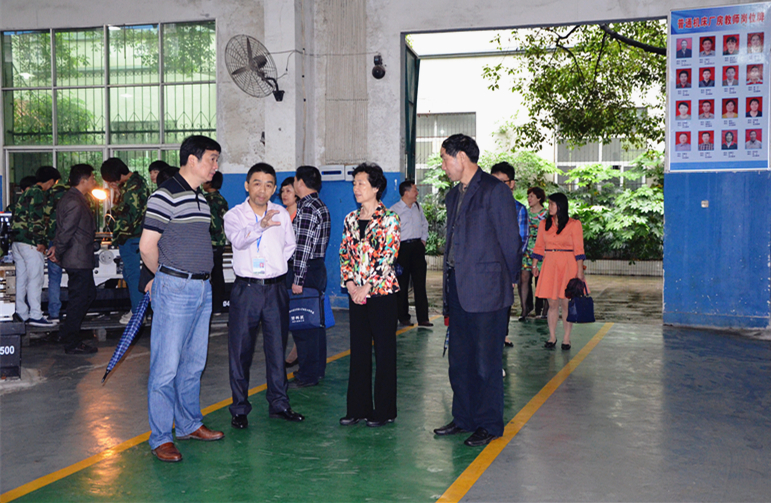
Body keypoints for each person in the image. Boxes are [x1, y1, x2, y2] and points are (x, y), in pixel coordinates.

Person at [140, 135, 225, 463]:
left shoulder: (200, 198)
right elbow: (147, 246)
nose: (215, 166)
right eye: (212, 159)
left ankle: (188, 424)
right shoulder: (165, 195)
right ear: (192, 159)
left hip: (202, 288)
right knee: (166, 367)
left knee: (193, 363)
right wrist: (163, 277)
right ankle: (161, 437)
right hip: (175, 288)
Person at [433, 134, 520, 448]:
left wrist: (508, 281)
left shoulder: (494, 190)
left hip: (488, 291)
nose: (443, 166)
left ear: (461, 157)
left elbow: (510, 241)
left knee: (486, 363)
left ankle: (489, 424)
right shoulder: (454, 194)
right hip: (458, 288)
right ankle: (464, 418)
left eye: (445, 159)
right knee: (460, 361)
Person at [224, 163, 304, 430]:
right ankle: (239, 409)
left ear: (274, 188)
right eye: (257, 183)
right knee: (240, 351)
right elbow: (238, 241)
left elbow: (290, 245)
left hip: (275, 289)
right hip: (246, 289)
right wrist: (260, 226)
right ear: (247, 185)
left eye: (269, 184)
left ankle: (279, 404)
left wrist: (274, 268)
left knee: (277, 348)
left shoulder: (281, 213)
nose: (263, 189)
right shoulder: (234, 215)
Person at [339, 163, 401, 428]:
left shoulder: (389, 219)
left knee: (384, 352)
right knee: (359, 351)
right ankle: (358, 408)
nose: (356, 188)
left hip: (382, 294)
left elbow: (388, 257)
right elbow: (345, 254)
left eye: (361, 183)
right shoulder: (351, 219)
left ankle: (385, 411)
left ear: (376, 187)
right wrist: (351, 284)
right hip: (357, 294)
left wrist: (367, 287)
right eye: (354, 183)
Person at [288, 165, 331, 389]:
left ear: (301, 183)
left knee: (303, 324)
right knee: (315, 323)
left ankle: (308, 374)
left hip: (305, 270)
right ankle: (316, 370)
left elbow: (302, 247)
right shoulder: (320, 205)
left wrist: (298, 278)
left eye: (295, 181)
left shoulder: (307, 207)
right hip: (316, 268)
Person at [52, 164, 98, 355]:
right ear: (84, 180)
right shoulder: (75, 202)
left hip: (79, 258)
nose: (95, 181)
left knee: (87, 295)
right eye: (92, 178)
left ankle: (68, 331)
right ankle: (72, 341)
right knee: (80, 299)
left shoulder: (73, 198)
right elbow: (67, 230)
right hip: (77, 258)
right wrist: (58, 251)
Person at [531, 193, 586, 351]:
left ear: (561, 206)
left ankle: (566, 338)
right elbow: (539, 246)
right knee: (552, 303)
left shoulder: (574, 224)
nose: (549, 207)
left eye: (552, 204)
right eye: (549, 204)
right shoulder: (544, 224)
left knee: (566, 303)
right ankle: (552, 336)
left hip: (569, 265)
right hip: (550, 265)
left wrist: (580, 271)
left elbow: (579, 249)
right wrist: (534, 265)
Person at [101, 158, 150, 325]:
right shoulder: (133, 184)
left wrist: (114, 219)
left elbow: (130, 216)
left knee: (133, 275)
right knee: (129, 275)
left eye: (110, 180)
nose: (110, 184)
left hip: (131, 236)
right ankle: (138, 309)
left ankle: (138, 313)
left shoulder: (133, 188)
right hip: (132, 236)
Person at [11, 165, 61, 328]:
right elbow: (36, 218)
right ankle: (36, 315)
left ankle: (21, 313)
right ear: (51, 181)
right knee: (35, 279)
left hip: (18, 241)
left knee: (22, 279)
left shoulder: (27, 192)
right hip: (31, 242)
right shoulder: (38, 193)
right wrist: (41, 241)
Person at [490, 162, 527, 333]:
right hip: (486, 265)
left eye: (502, 182)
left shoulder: (519, 209)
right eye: (493, 181)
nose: (497, 186)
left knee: (503, 304)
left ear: (512, 184)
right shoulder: (485, 206)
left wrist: (512, 270)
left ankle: (503, 334)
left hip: (506, 266)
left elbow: (521, 241)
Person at [390, 179, 431, 327]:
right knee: (402, 284)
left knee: (420, 283)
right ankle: (403, 317)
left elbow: (424, 224)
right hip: (402, 249)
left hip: (417, 248)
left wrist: (423, 240)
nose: (417, 193)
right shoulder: (394, 210)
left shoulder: (417, 207)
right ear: (406, 192)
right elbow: (390, 232)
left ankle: (423, 318)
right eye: (415, 190)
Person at [279, 177, 300, 368]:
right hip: (281, 269)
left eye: (289, 191)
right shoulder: (279, 214)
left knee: (297, 311)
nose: (285, 195)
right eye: (283, 191)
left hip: (295, 268)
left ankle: (297, 351)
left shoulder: (301, 215)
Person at [203, 171, 229, 315]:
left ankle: (208, 306)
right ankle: (218, 306)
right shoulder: (222, 199)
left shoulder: (204, 200)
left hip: (207, 243)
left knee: (206, 276)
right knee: (218, 274)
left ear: (210, 182)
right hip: (219, 243)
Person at [43, 176, 68, 323]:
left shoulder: (50, 193)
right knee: (75, 276)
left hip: (53, 238)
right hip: (70, 239)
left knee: (54, 278)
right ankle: (74, 312)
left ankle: (54, 313)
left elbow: (45, 214)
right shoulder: (74, 194)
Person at [524, 187, 549, 319]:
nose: (529, 199)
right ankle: (527, 307)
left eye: (532, 196)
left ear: (539, 198)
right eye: (528, 196)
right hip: (527, 249)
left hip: (542, 250)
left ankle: (540, 308)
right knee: (525, 278)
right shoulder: (525, 213)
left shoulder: (546, 214)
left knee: (540, 280)